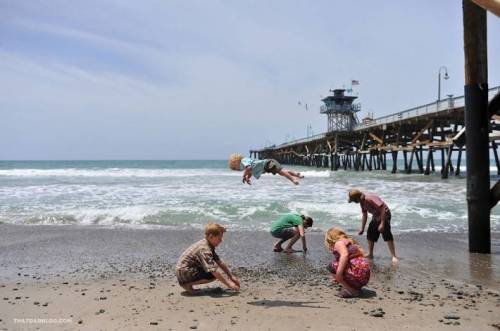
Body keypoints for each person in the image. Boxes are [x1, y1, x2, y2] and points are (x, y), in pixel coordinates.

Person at [175, 222, 240, 294]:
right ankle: (186, 284)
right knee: (212, 275)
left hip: (185, 270)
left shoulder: (208, 244)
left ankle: (187, 284)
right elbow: (213, 270)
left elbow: (219, 262)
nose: (221, 241)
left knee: (214, 271)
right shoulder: (204, 249)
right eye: (219, 238)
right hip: (183, 272)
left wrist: (231, 276)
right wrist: (229, 284)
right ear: (211, 237)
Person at [348, 188, 398, 263]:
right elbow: (364, 214)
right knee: (370, 234)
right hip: (376, 216)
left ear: (357, 198)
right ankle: (370, 254)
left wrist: (382, 223)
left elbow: (383, 208)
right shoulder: (362, 202)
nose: (354, 202)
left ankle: (393, 256)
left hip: (385, 215)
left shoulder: (370, 198)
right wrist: (362, 228)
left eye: (354, 201)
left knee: (386, 234)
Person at [325, 227, 370, 298]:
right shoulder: (349, 241)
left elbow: (344, 255)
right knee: (340, 264)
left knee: (331, 266)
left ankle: (351, 290)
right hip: (364, 276)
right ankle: (355, 287)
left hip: (357, 273)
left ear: (330, 239)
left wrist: (338, 275)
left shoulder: (338, 243)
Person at [229, 154, 304, 185]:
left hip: (267, 163)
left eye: (236, 168)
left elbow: (249, 168)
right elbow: (250, 171)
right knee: (281, 172)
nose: (238, 170)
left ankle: (293, 179)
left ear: (236, 162)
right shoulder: (246, 164)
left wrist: (244, 176)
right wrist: (248, 178)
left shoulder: (243, 161)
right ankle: (296, 174)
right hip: (266, 167)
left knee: (280, 171)